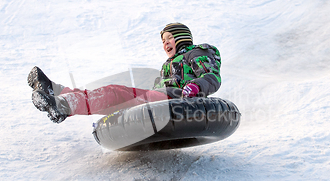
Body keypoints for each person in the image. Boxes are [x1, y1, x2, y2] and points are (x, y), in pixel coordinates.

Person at [29, 23, 222, 123]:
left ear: (182, 38)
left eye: (170, 38)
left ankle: (64, 103)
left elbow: (212, 77)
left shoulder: (196, 53)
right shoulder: (167, 66)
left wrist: (196, 86)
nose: (165, 43)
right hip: (162, 101)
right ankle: (61, 94)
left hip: (179, 101)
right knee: (113, 99)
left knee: (116, 93)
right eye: (163, 40)